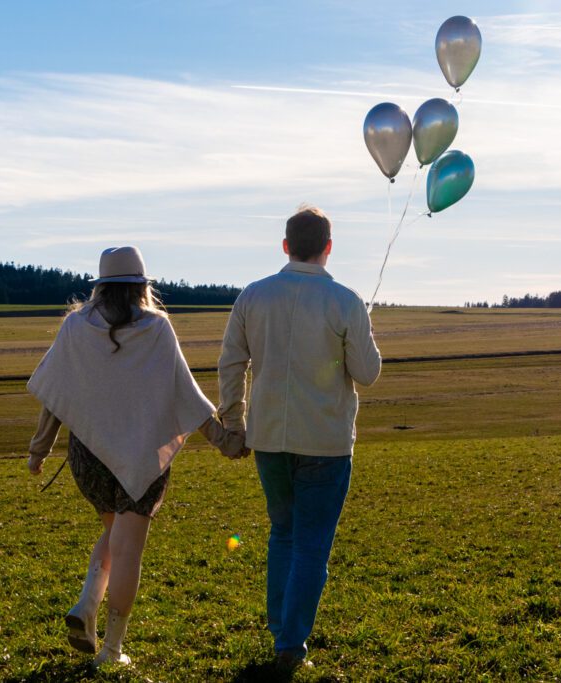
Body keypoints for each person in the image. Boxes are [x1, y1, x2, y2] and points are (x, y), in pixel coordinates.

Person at [25, 246, 247, 668]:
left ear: (101, 286)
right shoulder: (157, 329)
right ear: (143, 287)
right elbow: (187, 395)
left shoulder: (76, 327)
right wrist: (225, 440)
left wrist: (39, 449)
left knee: (115, 536)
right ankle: (111, 650)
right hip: (142, 458)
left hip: (89, 460)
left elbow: (54, 395)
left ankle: (88, 604)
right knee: (128, 549)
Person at [217, 206, 381, 671]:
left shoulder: (253, 296)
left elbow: (231, 364)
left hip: (268, 439)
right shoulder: (345, 301)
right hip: (326, 442)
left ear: (286, 245)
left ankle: (282, 632)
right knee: (310, 544)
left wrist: (234, 420)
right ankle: (290, 643)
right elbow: (367, 375)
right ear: (328, 247)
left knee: (283, 534)